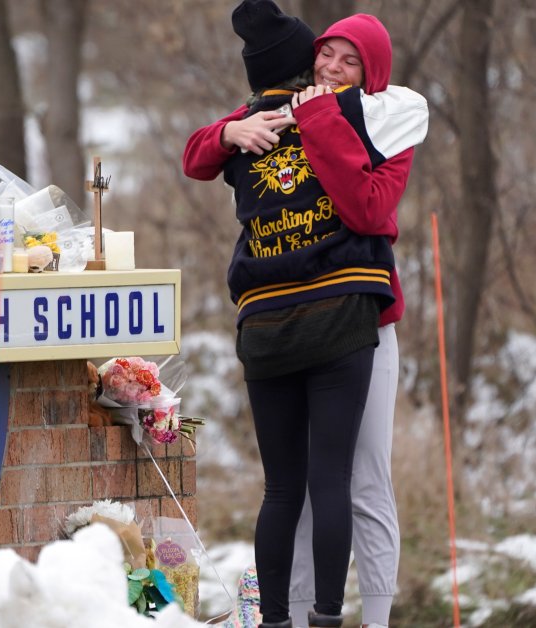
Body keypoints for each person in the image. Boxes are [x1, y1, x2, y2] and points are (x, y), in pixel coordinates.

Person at [182, 1, 425, 626]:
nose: (336, 68)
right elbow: (199, 153)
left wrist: (319, 119)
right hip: (287, 315)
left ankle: (374, 617)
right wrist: (230, 132)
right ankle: (284, 613)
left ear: (370, 75)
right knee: (298, 490)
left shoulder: (386, 120)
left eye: (351, 63)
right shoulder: (281, 106)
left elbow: (367, 210)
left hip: (367, 323)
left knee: (361, 482)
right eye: (328, 54)